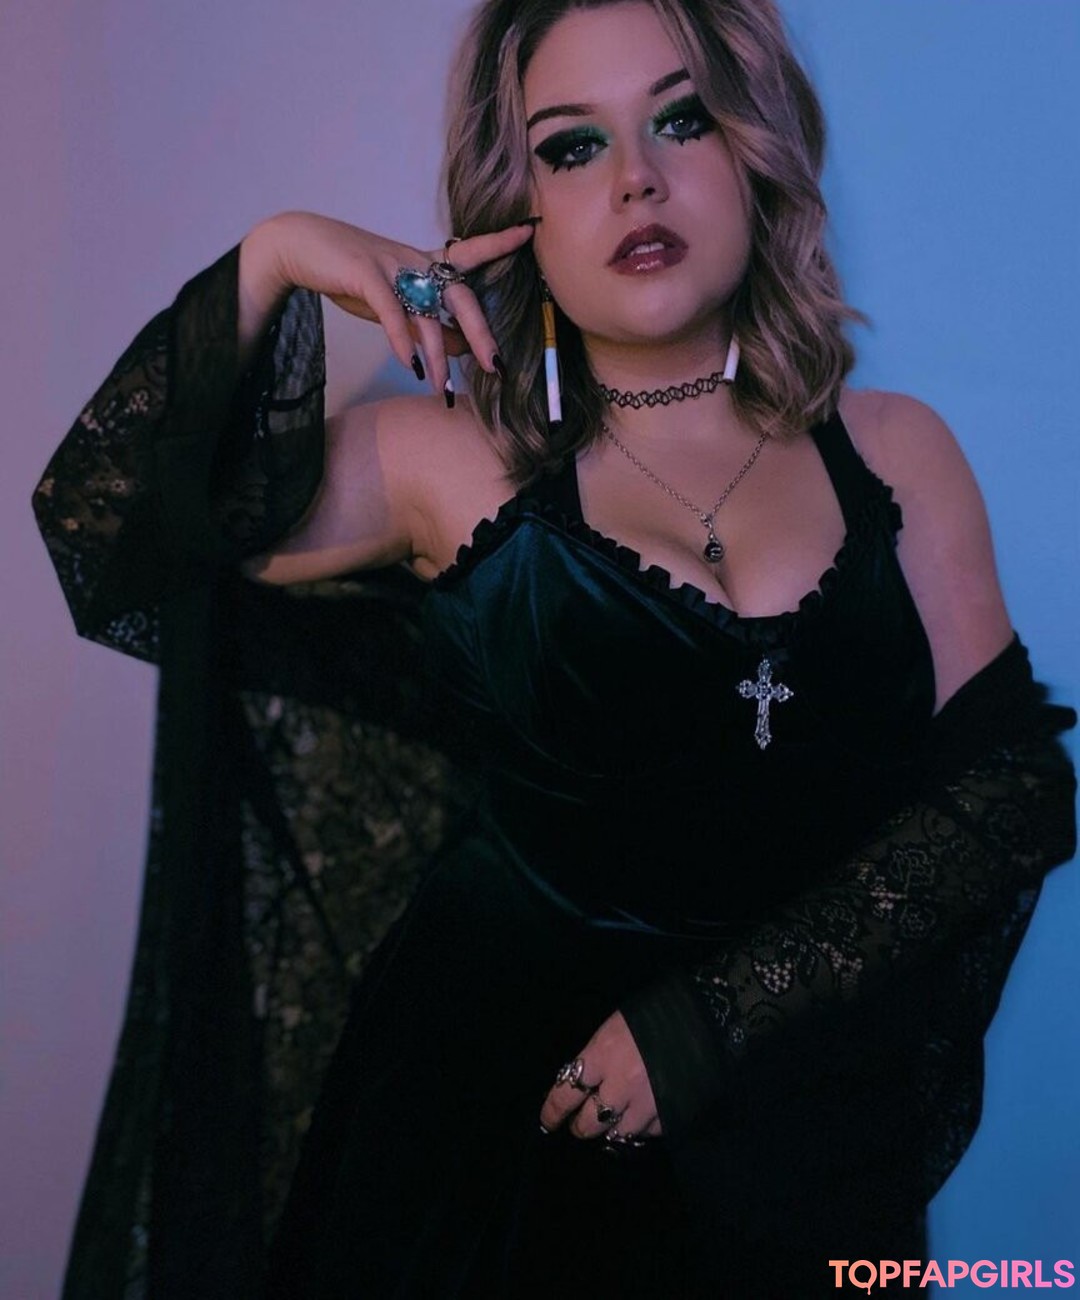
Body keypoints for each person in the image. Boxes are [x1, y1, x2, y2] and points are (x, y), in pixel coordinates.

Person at [33, 0, 1076, 1296]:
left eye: (680, 120)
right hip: (488, 1160)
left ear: (753, 146)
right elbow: (108, 532)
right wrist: (277, 255)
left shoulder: (896, 450)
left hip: (800, 1147)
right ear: (515, 202)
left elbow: (1009, 793)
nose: (635, 178)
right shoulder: (448, 466)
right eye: (573, 146)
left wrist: (715, 1021)